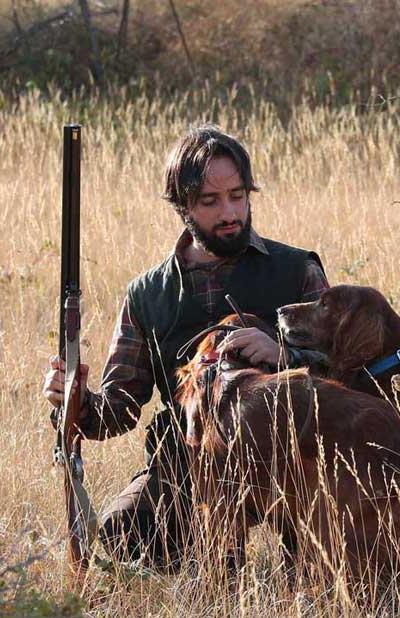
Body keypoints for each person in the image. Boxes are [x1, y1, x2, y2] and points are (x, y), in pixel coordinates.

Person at [42, 125, 328, 570]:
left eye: (237, 195)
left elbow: (349, 376)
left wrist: (283, 355)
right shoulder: (148, 294)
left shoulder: (297, 271)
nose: (230, 212)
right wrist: (72, 400)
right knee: (125, 536)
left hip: (291, 464)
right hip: (189, 464)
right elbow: (115, 412)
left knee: (330, 565)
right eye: (210, 201)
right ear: (182, 206)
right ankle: (207, 569)